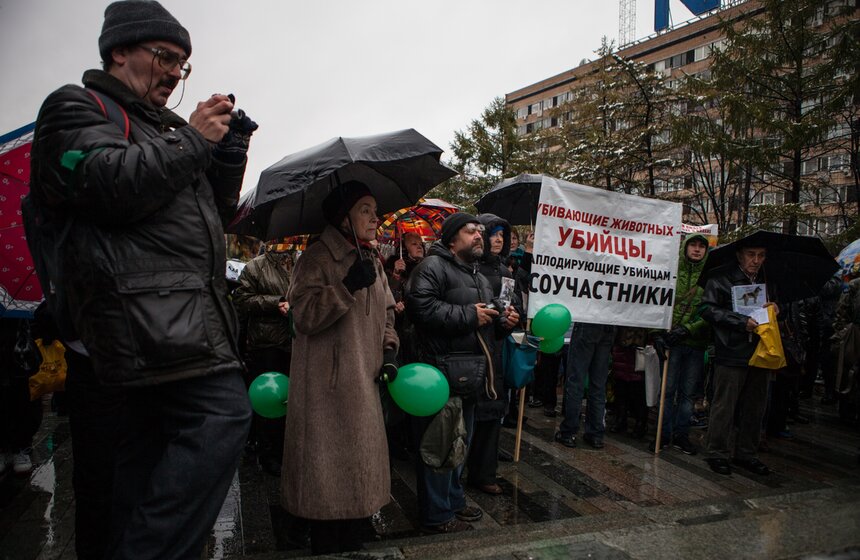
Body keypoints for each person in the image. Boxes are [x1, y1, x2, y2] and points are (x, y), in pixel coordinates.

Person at [28, 2, 256, 557]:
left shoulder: (165, 129)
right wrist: (194, 140)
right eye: (165, 57)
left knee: (141, 465)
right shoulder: (74, 107)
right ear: (119, 52)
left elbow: (211, 215)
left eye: (182, 63)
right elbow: (107, 184)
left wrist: (227, 155)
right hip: (132, 320)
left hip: (177, 317)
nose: (175, 72)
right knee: (221, 413)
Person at [281, 180, 399, 555]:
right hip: (326, 394)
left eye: (375, 210)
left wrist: (390, 350)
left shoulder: (372, 259)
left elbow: (388, 313)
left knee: (358, 482)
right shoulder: (316, 258)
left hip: (365, 383)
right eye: (365, 210)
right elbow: (303, 316)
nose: (375, 218)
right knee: (328, 490)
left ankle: (353, 540)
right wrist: (345, 287)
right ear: (343, 217)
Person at [406, 212, 518, 533]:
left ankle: (453, 500)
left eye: (480, 231)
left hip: (469, 374)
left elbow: (487, 319)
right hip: (440, 374)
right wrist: (469, 315)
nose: (479, 235)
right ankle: (437, 515)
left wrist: (504, 323)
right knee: (440, 444)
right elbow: (421, 308)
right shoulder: (432, 267)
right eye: (471, 231)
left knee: (460, 443)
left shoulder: (476, 274)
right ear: (452, 239)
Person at [701, 243, 776, 476]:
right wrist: (740, 322)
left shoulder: (767, 281)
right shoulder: (720, 279)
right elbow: (706, 309)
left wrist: (775, 309)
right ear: (739, 256)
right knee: (725, 404)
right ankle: (717, 452)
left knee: (755, 405)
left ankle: (746, 453)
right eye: (751, 254)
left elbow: (777, 309)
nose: (756, 260)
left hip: (761, 350)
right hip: (731, 349)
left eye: (761, 255)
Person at [468, 214, 521, 495]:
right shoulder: (470, 266)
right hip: (471, 346)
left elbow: (513, 304)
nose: (499, 239)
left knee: (492, 410)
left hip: (497, 347)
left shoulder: (506, 271)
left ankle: (485, 473)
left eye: (502, 234)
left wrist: (512, 316)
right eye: (493, 233)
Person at [232, 245, 294, 477]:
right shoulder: (255, 266)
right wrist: (275, 302)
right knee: (271, 400)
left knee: (290, 400)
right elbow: (242, 300)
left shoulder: (300, 263)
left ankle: (286, 451)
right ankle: (269, 454)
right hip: (267, 345)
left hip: (294, 342)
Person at [650, 233, 710, 455]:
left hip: (695, 342)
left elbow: (711, 310)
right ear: (685, 247)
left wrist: (689, 329)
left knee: (687, 393)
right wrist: (656, 333)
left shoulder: (710, 277)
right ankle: (663, 434)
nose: (697, 249)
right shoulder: (671, 271)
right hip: (671, 341)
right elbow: (657, 301)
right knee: (667, 391)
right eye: (693, 244)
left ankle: (681, 434)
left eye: (701, 246)